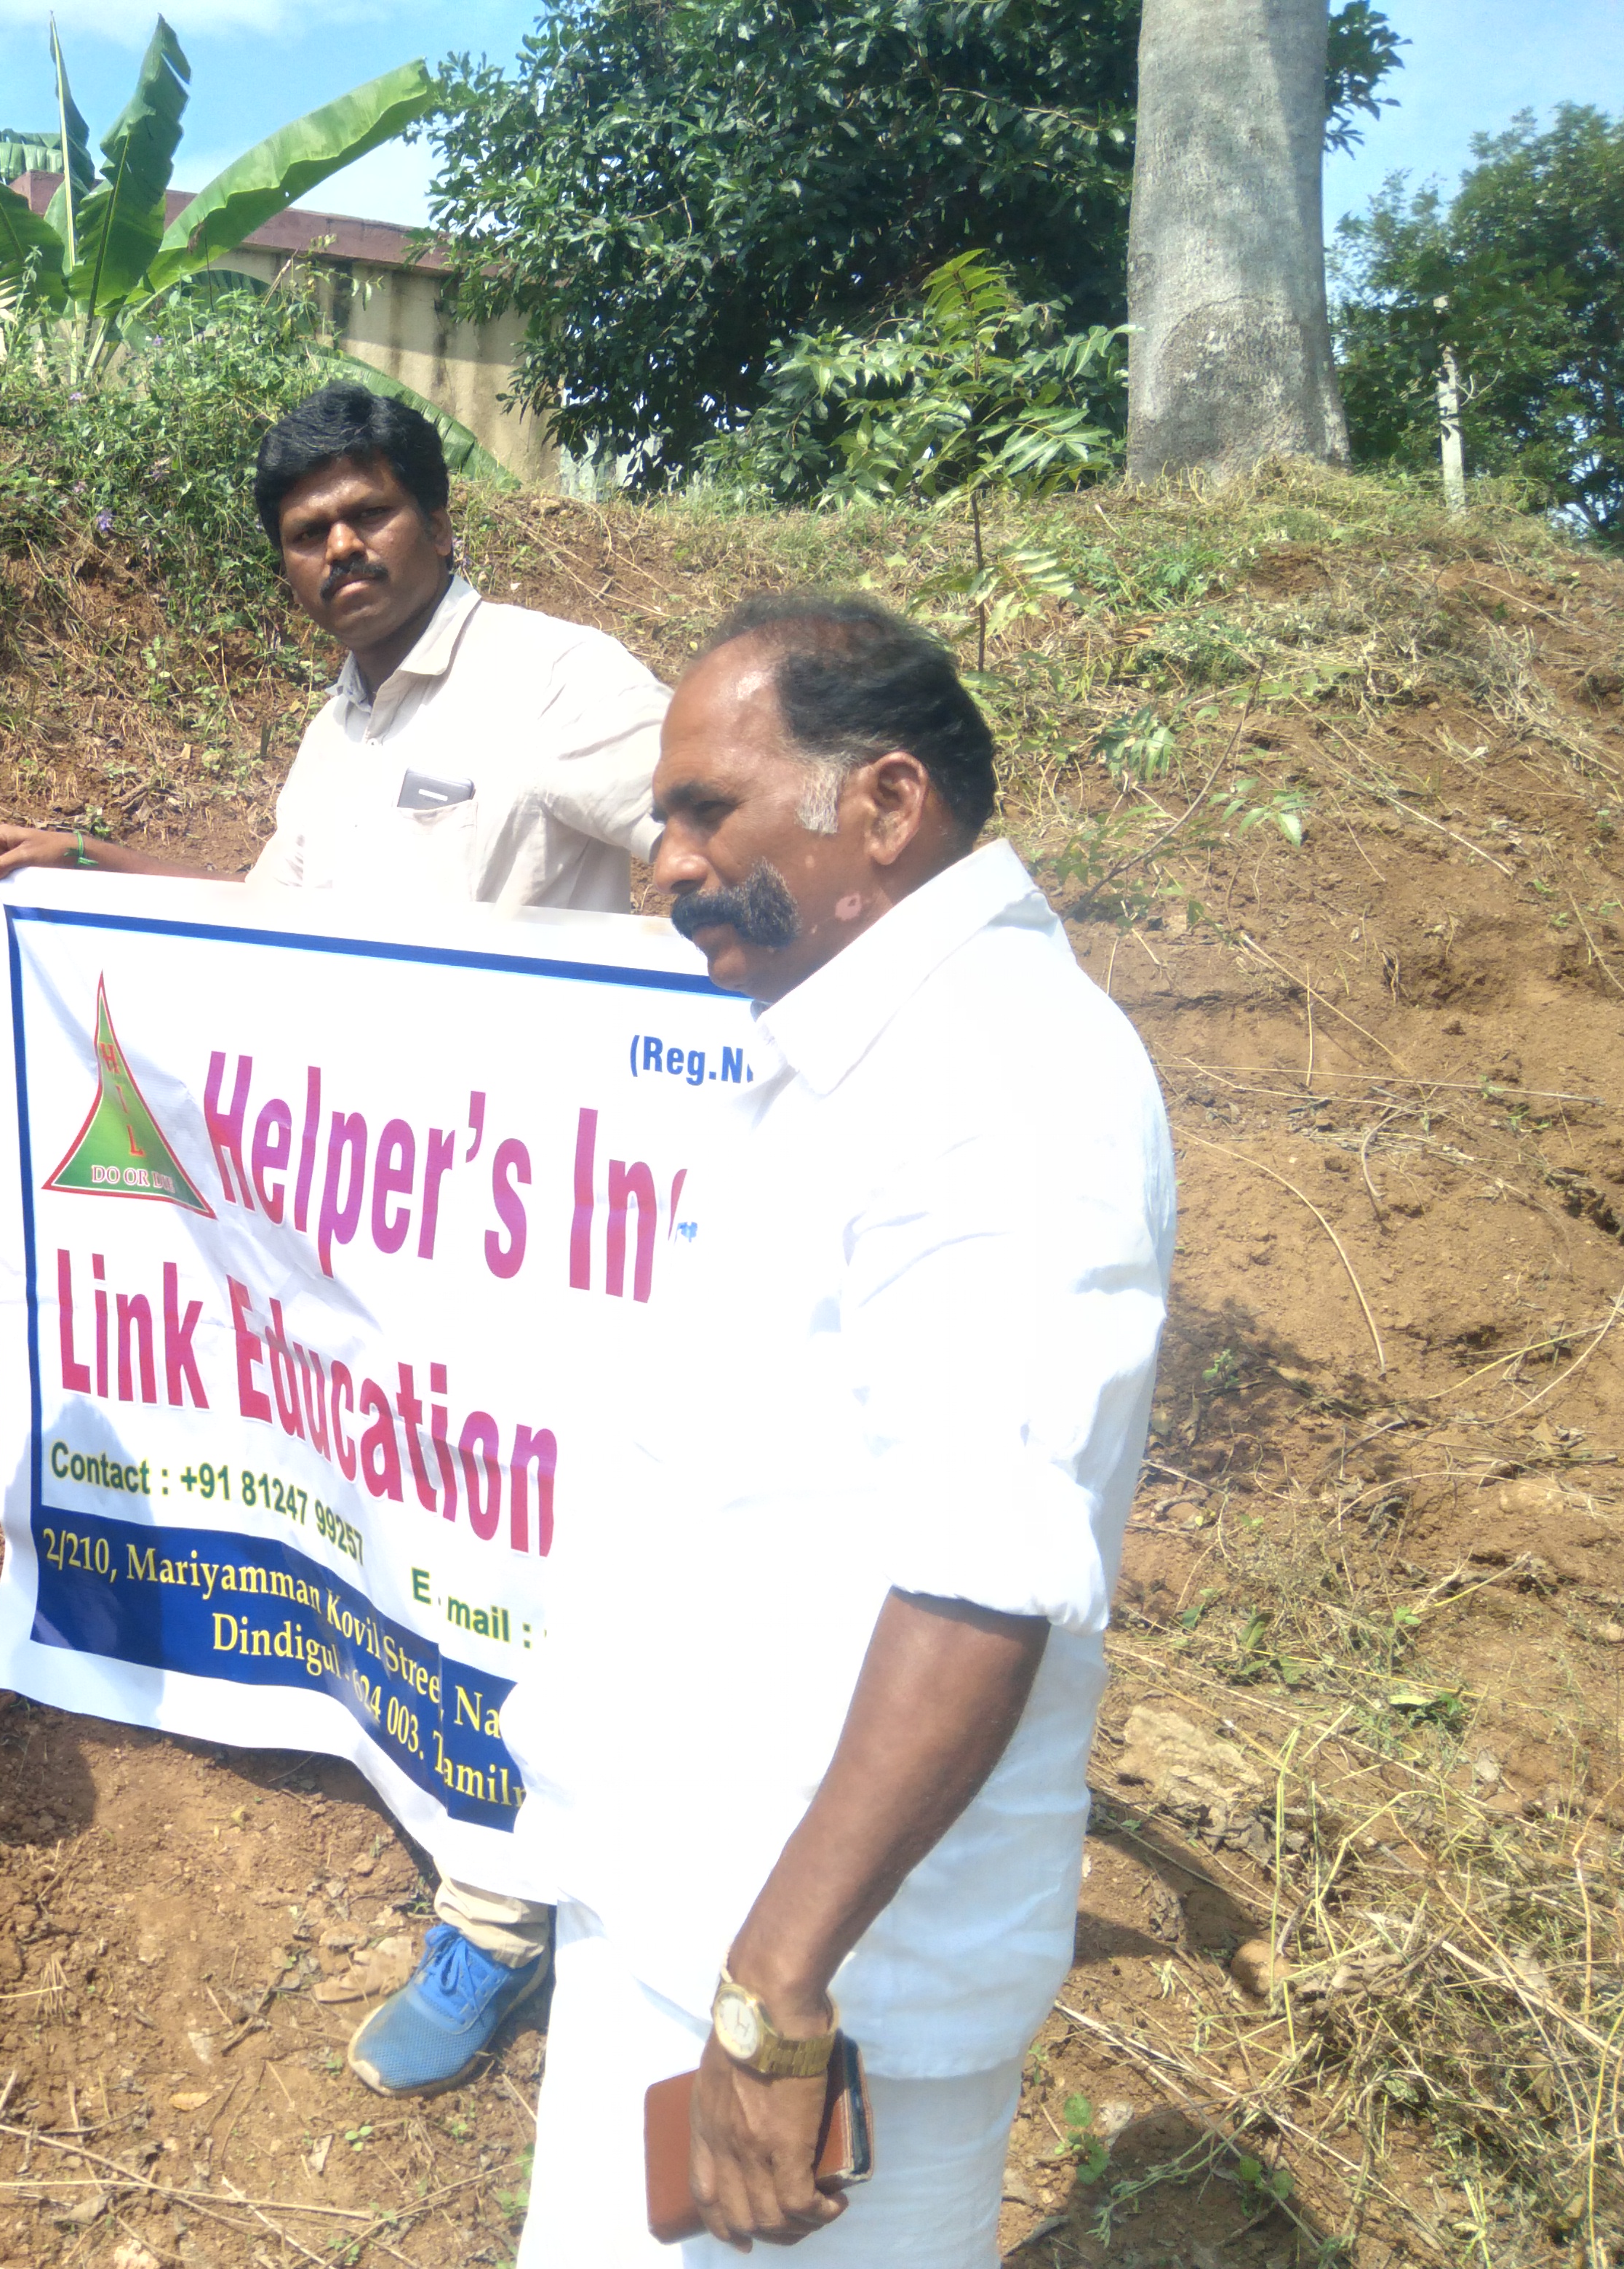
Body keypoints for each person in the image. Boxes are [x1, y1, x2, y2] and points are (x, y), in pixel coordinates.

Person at [0, 381, 673, 2095]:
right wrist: (99, 875)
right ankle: (404, 1757)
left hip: (515, 1220)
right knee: (387, 1491)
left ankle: (500, 1919)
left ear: (435, 515)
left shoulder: (558, 682)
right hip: (352, 1217)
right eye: (305, 533)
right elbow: (276, 945)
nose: (340, 549)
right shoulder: (337, 728)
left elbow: (705, 848)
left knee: (513, 1528)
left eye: (368, 514)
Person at [501, 593, 1175, 2263]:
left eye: (703, 810)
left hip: (819, 1993)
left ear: (882, 805)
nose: (662, 862)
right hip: (686, 1910)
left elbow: (982, 1578)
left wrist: (772, 2001)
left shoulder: (1005, 1093)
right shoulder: (858, 1057)